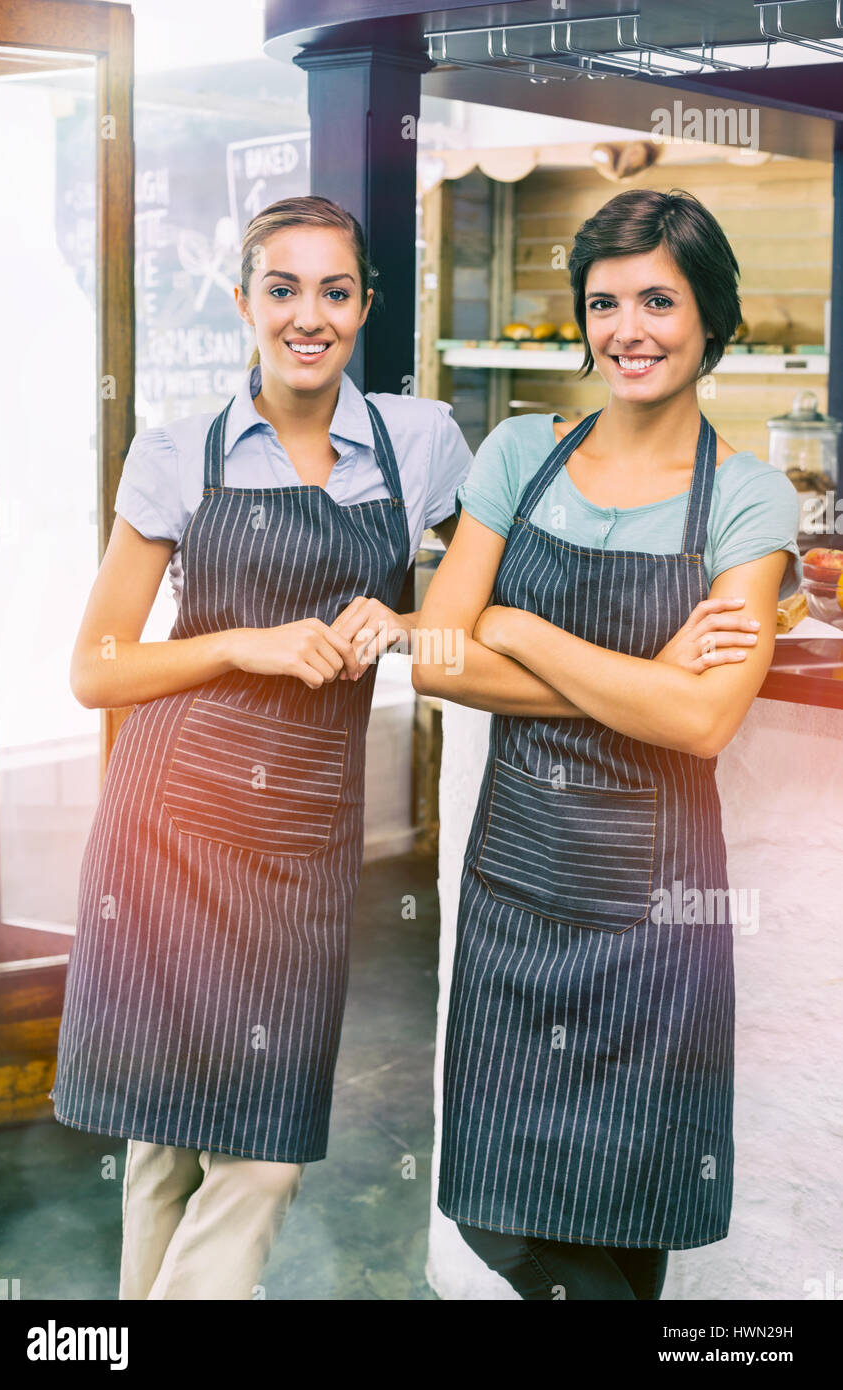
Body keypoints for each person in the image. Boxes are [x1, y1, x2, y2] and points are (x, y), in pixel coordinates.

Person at [50, 194, 474, 1300]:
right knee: (162, 1144)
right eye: (281, 289)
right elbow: (98, 667)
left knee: (263, 1152)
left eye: (334, 291)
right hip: (172, 819)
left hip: (301, 834)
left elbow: (482, 610)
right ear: (243, 302)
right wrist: (245, 643)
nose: (308, 315)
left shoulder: (418, 444)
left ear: (365, 306)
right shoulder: (179, 451)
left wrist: (409, 621)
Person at [413, 187, 802, 1300]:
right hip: (513, 904)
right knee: (509, 1224)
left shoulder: (745, 496)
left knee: (630, 1234)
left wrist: (519, 625)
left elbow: (699, 718)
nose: (624, 328)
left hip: (652, 930)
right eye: (601, 302)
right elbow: (438, 658)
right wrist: (634, 676)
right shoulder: (517, 453)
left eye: (655, 300)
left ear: (709, 317)